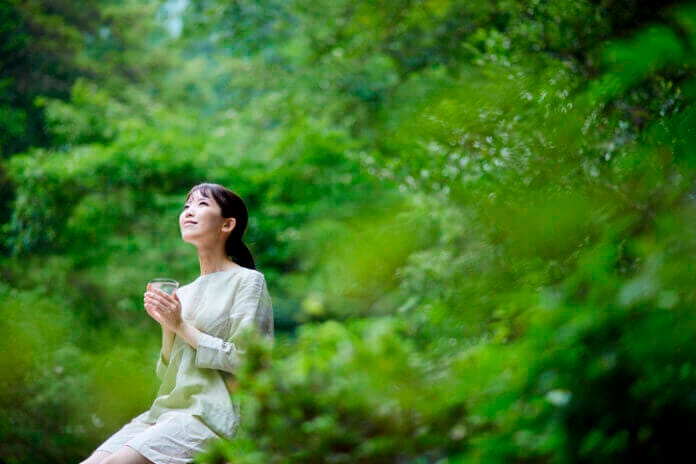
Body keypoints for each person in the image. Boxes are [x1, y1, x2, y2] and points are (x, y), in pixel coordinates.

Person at [81, 183, 274, 464]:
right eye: (186, 206)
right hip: (165, 412)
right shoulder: (182, 293)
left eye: (202, 205)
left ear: (227, 224)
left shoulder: (248, 281)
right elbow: (167, 372)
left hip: (212, 416)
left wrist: (181, 325)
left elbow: (246, 360)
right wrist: (166, 323)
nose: (189, 212)